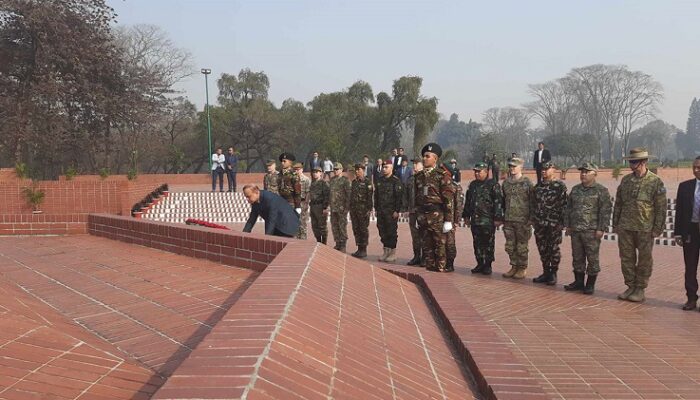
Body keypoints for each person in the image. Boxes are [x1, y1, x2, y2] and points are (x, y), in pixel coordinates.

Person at [613, 147, 666, 303]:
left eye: (634, 161)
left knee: (644, 259)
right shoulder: (626, 180)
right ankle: (630, 286)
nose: (631, 164)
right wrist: (615, 223)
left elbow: (661, 207)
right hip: (625, 226)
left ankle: (640, 288)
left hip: (645, 228)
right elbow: (619, 204)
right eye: (630, 161)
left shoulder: (655, 181)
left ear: (643, 162)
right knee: (626, 258)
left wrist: (657, 228)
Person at [563, 162, 612, 295]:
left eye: (586, 172)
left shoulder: (601, 191)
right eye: (582, 172)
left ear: (594, 174)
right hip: (576, 230)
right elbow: (568, 208)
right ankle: (578, 282)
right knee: (577, 257)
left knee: (592, 258)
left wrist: (601, 228)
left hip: (591, 231)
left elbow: (605, 211)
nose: (583, 174)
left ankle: (590, 284)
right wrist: (567, 225)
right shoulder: (575, 189)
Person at [414, 143, 454, 272]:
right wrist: (416, 215)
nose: (424, 159)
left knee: (440, 245)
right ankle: (430, 270)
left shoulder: (442, 175)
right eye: (423, 156)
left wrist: (448, 220)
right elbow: (417, 197)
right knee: (427, 246)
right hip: (423, 216)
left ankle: (441, 272)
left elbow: (448, 199)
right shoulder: (419, 177)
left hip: (437, 216)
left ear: (435, 159)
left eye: (427, 156)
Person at [462, 162, 503, 274]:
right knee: (477, 243)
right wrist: (466, 216)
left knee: (488, 243)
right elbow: (468, 201)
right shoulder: (473, 185)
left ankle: (488, 265)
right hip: (475, 220)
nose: (476, 173)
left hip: (487, 220)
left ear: (486, 172)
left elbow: (498, 202)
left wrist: (498, 218)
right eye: (475, 171)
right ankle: (480, 263)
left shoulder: (493, 185)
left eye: (479, 171)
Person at [531, 161, 567, 285]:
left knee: (553, 249)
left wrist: (562, 222)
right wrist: (533, 220)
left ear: (553, 169)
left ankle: (553, 273)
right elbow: (533, 204)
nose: (544, 171)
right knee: (542, 248)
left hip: (553, 224)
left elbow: (564, 206)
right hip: (540, 224)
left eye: (547, 169)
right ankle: (545, 272)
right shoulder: (537, 187)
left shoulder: (559, 186)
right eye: (542, 169)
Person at [674, 157, 700, 310]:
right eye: (694, 167)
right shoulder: (684, 187)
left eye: (699, 167)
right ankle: (691, 298)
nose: (696, 170)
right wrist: (678, 233)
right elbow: (680, 212)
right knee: (690, 267)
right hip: (690, 231)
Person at [501, 157, 534, 279]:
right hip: (509, 219)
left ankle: (522, 267)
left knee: (521, 246)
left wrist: (531, 218)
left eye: (514, 166)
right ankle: (514, 266)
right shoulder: (506, 183)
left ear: (521, 167)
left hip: (522, 220)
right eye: (510, 166)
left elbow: (532, 201)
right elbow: (503, 201)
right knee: (510, 246)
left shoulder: (527, 183)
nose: (512, 168)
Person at [375, 160, 404, 263]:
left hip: (391, 212)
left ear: (391, 168)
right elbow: (376, 196)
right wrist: (376, 208)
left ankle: (392, 253)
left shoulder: (396, 181)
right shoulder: (379, 180)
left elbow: (399, 197)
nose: (384, 169)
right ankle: (386, 251)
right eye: (383, 167)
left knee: (391, 232)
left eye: (386, 167)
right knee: (382, 231)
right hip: (381, 211)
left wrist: (397, 210)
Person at [349, 163, 373, 258]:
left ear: (363, 170)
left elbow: (369, 197)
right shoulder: (354, 182)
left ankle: (363, 249)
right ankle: (359, 248)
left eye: (358, 169)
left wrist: (369, 209)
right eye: (356, 169)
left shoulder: (367, 182)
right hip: (354, 210)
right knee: (356, 229)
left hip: (363, 211)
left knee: (363, 230)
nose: (356, 171)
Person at [445, 163, 464, 271]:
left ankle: (450, 263)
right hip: (439, 218)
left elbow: (459, 205)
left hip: (450, 220)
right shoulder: (439, 185)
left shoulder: (456, 187)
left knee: (450, 242)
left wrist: (457, 220)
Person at [404, 159, 423, 265]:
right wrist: (406, 209)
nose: (415, 166)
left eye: (417, 163)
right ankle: (416, 256)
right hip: (412, 212)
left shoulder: (426, 179)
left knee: (424, 235)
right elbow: (406, 195)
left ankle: (425, 257)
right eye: (414, 164)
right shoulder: (410, 180)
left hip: (422, 212)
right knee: (415, 235)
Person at [329, 162, 351, 252]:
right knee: (334, 226)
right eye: (334, 169)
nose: (335, 171)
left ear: (341, 170)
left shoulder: (345, 180)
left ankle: (343, 245)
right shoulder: (332, 180)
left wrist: (346, 208)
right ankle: (337, 243)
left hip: (342, 208)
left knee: (342, 226)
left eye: (337, 169)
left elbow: (348, 195)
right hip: (333, 208)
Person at [309, 167, 330, 244]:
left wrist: (325, 207)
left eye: (317, 172)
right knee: (314, 226)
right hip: (313, 206)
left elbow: (327, 196)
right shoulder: (312, 183)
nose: (315, 173)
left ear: (321, 173)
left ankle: (324, 243)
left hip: (320, 206)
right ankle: (318, 241)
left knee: (322, 226)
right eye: (314, 172)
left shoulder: (324, 183)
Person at [294, 163, 311, 240]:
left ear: (302, 169)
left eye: (298, 169)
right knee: (295, 221)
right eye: (295, 169)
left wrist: (306, 204)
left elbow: (308, 192)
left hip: (302, 202)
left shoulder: (306, 179)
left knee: (302, 222)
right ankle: (297, 239)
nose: (297, 171)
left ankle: (303, 240)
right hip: (294, 203)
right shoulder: (293, 179)